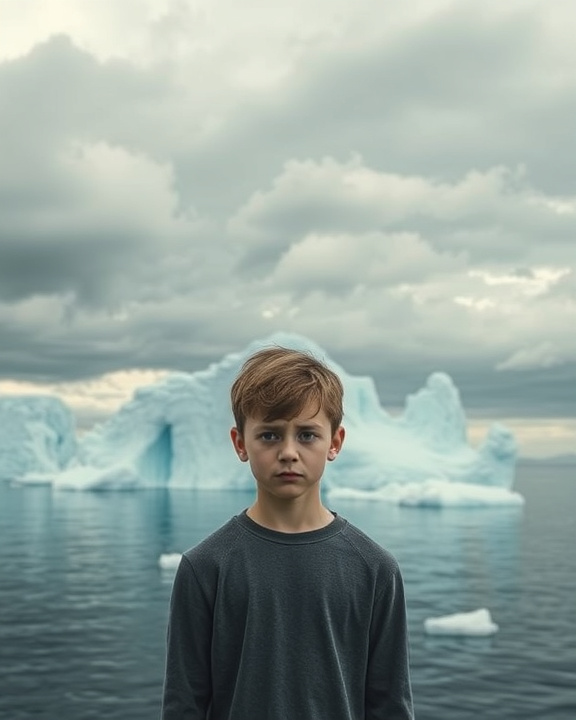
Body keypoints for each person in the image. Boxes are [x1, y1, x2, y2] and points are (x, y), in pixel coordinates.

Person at [161, 346, 414, 720]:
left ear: (336, 442)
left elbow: (390, 705)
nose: (289, 452)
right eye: (270, 435)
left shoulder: (375, 569)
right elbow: (184, 706)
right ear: (240, 443)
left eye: (308, 435)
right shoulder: (205, 568)